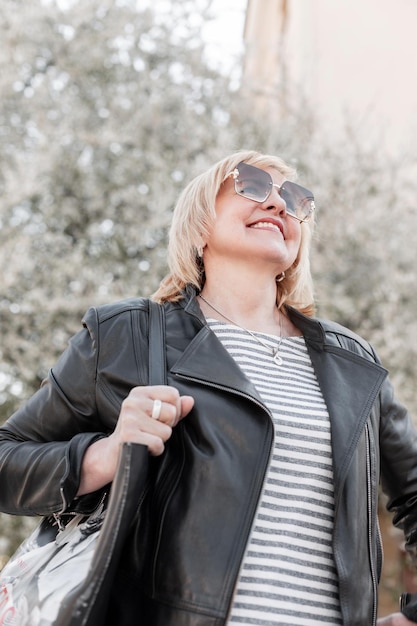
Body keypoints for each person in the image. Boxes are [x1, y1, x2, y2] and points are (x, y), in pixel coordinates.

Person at [0, 149, 416, 626]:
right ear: (198, 226)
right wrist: (108, 453)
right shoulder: (125, 337)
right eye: (253, 186)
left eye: (296, 200)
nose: (279, 205)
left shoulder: (352, 362)